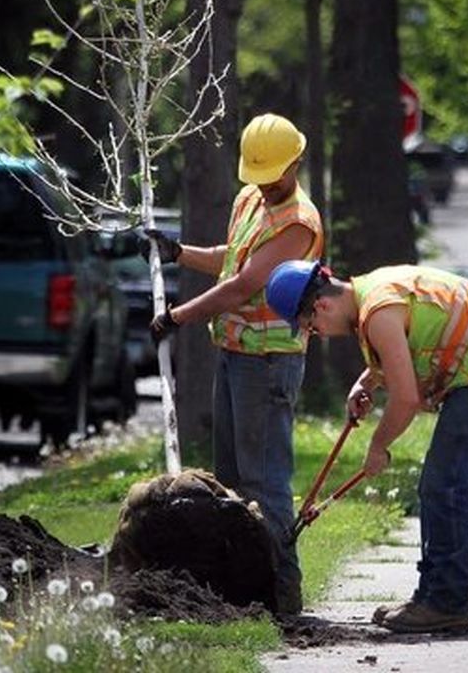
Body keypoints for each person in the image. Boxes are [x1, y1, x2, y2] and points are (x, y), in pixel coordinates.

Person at [264, 260, 468, 634]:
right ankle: (431, 597)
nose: (317, 333)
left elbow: (405, 398)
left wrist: (378, 447)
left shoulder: (377, 312)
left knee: (448, 485)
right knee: (439, 486)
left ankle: (447, 603)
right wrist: (368, 381)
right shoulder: (370, 292)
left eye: (311, 326)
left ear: (321, 305)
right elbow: (408, 345)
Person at [147, 113, 323, 615]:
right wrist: (179, 253)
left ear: (296, 163)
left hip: (269, 364)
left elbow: (246, 285)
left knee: (264, 482)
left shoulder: (299, 223)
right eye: (259, 177)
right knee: (228, 481)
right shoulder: (251, 198)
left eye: (275, 177)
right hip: (235, 352)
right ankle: (239, 593)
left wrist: (178, 315)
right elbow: (234, 260)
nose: (266, 186)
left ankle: (284, 597)